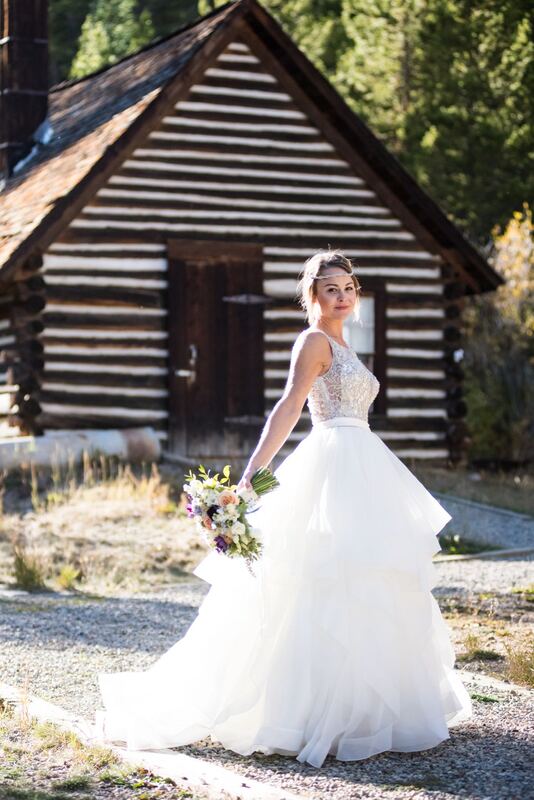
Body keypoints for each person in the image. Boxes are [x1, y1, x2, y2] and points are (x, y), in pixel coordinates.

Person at [95, 249, 472, 768]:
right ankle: (310, 713)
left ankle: (363, 712)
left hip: (364, 462)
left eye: (349, 287)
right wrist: (252, 478)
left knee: (369, 581)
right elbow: (289, 406)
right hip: (333, 463)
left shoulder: (344, 342)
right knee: (323, 576)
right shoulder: (314, 340)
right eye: (331, 289)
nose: (342, 296)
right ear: (313, 296)